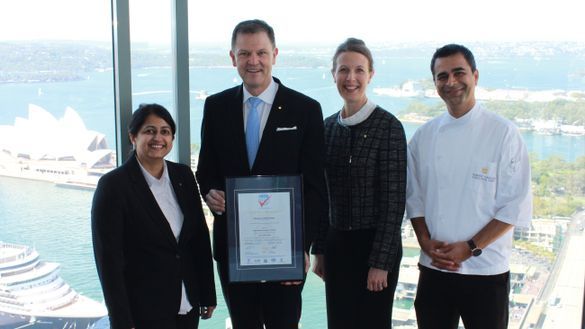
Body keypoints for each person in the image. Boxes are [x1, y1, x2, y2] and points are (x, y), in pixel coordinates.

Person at [196, 19, 328, 329]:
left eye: (261, 53)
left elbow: (315, 187)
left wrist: (303, 247)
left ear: (274, 54)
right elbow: (206, 170)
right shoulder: (216, 107)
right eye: (244, 54)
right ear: (233, 58)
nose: (253, 61)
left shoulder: (305, 109)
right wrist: (210, 192)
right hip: (233, 249)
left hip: (285, 253)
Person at [406, 44, 533, 329]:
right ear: (435, 83)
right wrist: (425, 243)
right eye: (442, 76)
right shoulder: (423, 137)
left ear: (475, 75)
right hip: (434, 269)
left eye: (458, 72)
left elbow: (514, 206)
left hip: (486, 272)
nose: (450, 82)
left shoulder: (503, 134)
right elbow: (414, 200)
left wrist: (471, 247)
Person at [91, 104, 216, 329]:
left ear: (172, 138)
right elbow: (109, 263)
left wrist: (207, 293)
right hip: (144, 312)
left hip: (187, 304)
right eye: (149, 131)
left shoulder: (183, 176)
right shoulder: (113, 186)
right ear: (133, 136)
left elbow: (198, 239)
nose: (158, 137)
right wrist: (121, 321)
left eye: (165, 131)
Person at [311, 38, 406, 329]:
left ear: (370, 75)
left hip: (374, 246)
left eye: (359, 70)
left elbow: (394, 202)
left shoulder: (389, 126)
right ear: (334, 75)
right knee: (339, 322)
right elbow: (322, 196)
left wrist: (380, 262)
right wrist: (320, 250)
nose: (350, 78)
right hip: (338, 245)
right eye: (343, 70)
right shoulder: (326, 128)